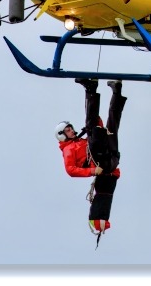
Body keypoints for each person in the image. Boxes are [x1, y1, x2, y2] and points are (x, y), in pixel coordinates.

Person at [55, 79, 126, 243]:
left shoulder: (81, 142)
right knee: (91, 123)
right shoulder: (68, 150)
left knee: (112, 124)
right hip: (105, 162)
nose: (72, 131)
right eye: (68, 130)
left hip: (108, 159)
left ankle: (117, 91)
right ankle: (91, 89)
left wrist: (97, 129)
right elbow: (71, 170)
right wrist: (92, 171)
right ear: (61, 135)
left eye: (71, 128)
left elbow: (95, 137)